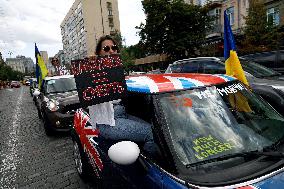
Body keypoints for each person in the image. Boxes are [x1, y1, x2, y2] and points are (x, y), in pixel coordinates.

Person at [89, 35, 156, 155]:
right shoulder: (93, 71)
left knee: (157, 130)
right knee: (151, 134)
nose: (111, 51)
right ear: (98, 53)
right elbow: (89, 92)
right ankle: (148, 168)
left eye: (113, 48)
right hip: (107, 122)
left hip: (122, 114)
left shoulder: (117, 71)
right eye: (106, 49)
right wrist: (92, 67)